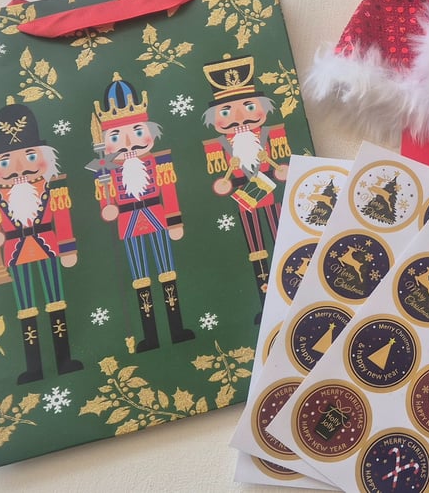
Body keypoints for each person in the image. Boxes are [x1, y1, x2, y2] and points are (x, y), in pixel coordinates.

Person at [89, 73, 194, 352]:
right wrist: (107, 207)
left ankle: (176, 327)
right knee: (140, 277)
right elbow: (107, 203)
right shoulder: (106, 170)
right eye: (116, 137)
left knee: (167, 270)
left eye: (137, 132)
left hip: (157, 216)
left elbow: (168, 191)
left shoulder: (159, 162)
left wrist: (175, 220)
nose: (128, 143)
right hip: (128, 221)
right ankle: (150, 334)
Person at [0, 102, 83, 384]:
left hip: (48, 247)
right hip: (15, 254)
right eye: (6, 162)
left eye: (30, 156)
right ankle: (33, 366)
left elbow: (62, 218)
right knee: (25, 307)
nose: (19, 169)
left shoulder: (52, 188)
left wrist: (68, 247)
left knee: (56, 300)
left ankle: (64, 358)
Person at [201, 55, 290, 320]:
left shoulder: (271, 135)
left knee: (283, 241)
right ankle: (267, 303)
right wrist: (226, 179)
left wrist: (277, 168)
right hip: (244, 198)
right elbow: (221, 185)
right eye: (226, 112)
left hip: (271, 194)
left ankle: (293, 295)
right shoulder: (218, 146)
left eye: (249, 107)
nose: (239, 118)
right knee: (256, 248)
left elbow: (284, 171)